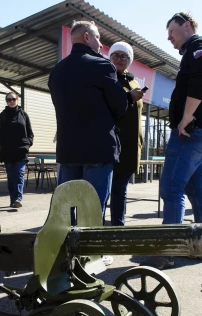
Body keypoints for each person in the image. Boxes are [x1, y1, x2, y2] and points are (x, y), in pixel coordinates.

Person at [143, 11, 202, 269]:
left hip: (193, 131)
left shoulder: (198, 47)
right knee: (195, 186)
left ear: (187, 26)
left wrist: (186, 117)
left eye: (172, 33)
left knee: (172, 187)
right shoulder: (201, 48)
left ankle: (166, 251)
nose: (170, 39)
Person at [49, 21, 142, 214]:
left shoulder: (57, 71)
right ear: (86, 37)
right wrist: (127, 98)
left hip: (67, 152)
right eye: (98, 38)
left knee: (67, 213)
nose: (100, 45)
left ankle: (68, 245)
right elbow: (119, 107)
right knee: (91, 213)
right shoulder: (102, 66)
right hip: (98, 151)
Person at [108, 41, 144, 226]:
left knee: (120, 189)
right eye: (115, 55)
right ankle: (98, 226)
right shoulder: (107, 78)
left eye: (124, 56)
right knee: (107, 189)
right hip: (112, 145)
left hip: (130, 146)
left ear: (129, 60)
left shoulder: (133, 81)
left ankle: (117, 225)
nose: (119, 59)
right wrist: (128, 97)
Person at [0, 92, 34, 208]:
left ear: (17, 100)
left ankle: (18, 198)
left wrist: (27, 144)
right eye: (8, 100)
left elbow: (30, 133)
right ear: (6, 101)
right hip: (7, 152)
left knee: (19, 174)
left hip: (21, 152)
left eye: (13, 99)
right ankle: (13, 199)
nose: (11, 101)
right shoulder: (2, 115)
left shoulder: (24, 115)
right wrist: (4, 145)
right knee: (11, 176)